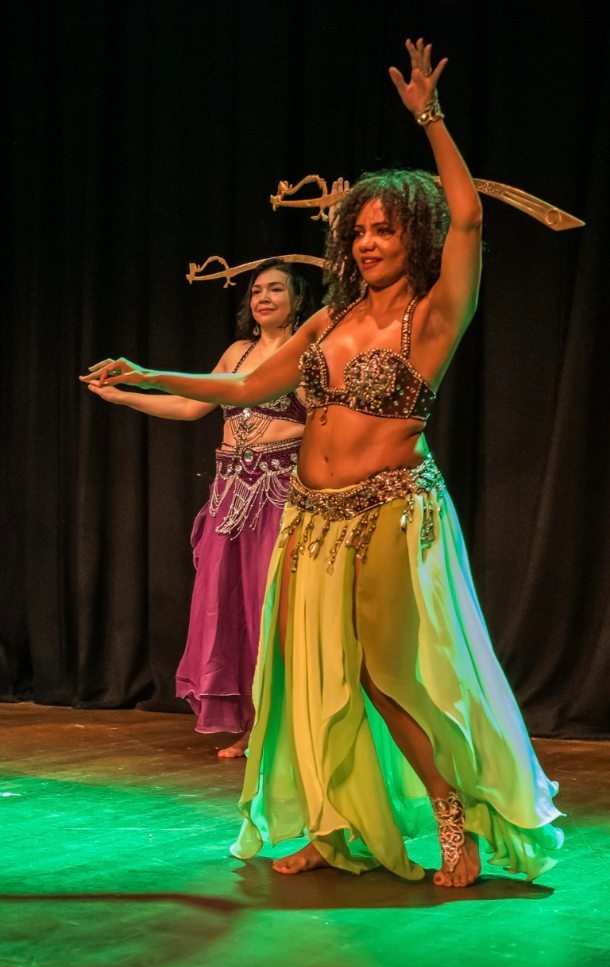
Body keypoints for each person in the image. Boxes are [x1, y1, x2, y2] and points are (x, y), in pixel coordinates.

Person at [83, 37, 563, 887]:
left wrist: (431, 120)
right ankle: (330, 826)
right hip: (308, 514)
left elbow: (472, 217)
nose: (370, 241)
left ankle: (453, 818)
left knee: (386, 673)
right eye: (361, 230)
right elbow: (248, 388)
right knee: (310, 674)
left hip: (389, 507)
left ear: (414, 234)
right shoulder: (332, 317)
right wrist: (147, 372)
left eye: (385, 229)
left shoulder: (437, 313)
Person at [86, 258, 317, 757]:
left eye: (277, 290)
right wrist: (123, 398)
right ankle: (255, 727)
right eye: (257, 291)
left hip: (280, 493)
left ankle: (290, 730)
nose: (264, 298)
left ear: (299, 301)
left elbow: (326, 422)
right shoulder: (237, 352)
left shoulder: (309, 352)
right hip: (230, 494)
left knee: (273, 611)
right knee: (229, 610)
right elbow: (192, 406)